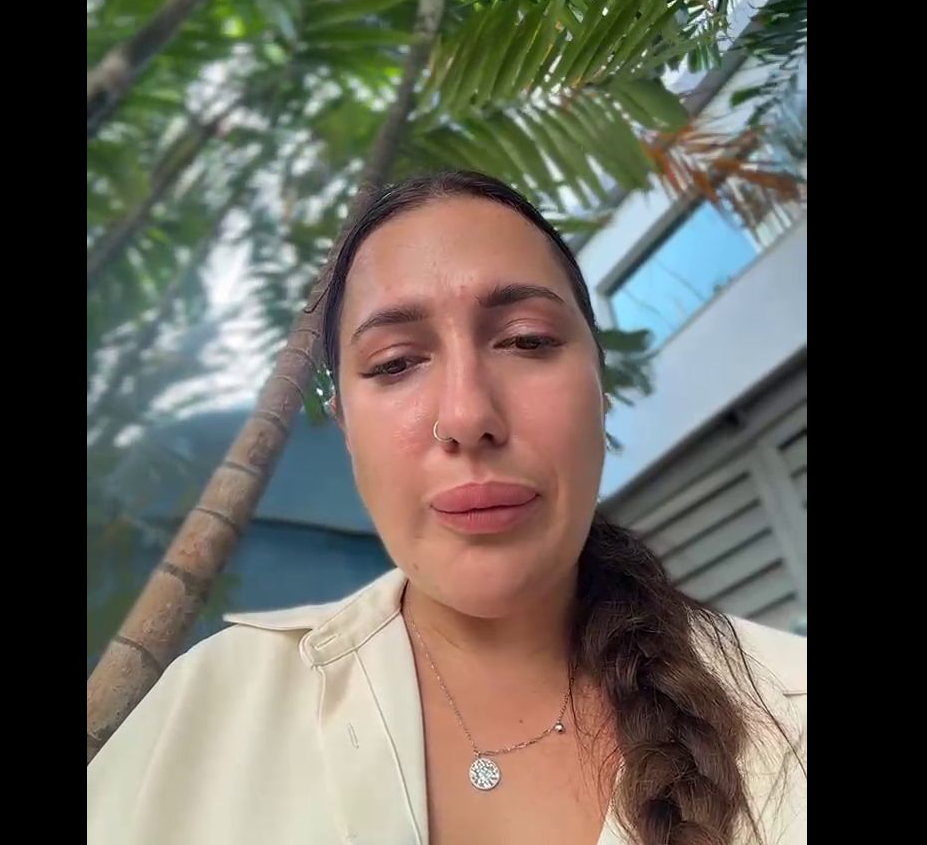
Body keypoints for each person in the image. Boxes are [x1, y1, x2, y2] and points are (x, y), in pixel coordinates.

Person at [87, 171, 806, 845]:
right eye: (395, 363)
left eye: (526, 340)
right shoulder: (206, 712)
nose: (466, 416)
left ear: (600, 387)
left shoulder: (790, 707)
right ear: (346, 428)